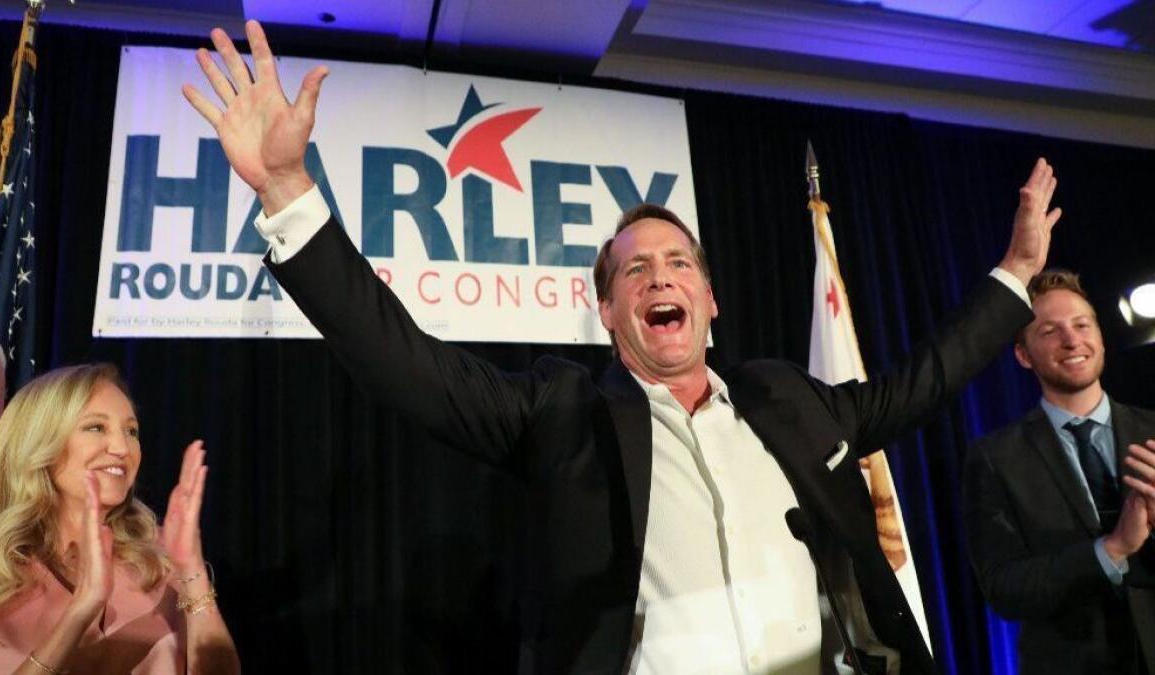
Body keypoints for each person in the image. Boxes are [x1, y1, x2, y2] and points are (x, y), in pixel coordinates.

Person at [184, 20, 1060, 674]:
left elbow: (926, 378)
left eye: (678, 262)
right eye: (634, 270)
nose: (658, 277)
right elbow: (404, 361)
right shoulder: (559, 411)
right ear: (606, 309)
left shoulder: (791, 399)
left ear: (710, 299)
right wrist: (290, 190)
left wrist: (1018, 274)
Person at [0, 364, 240, 674]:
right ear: (39, 445)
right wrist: (81, 610)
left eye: (131, 431)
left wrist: (193, 571)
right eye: (96, 427)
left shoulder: (162, 558)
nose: (122, 448)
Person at [963, 270, 1155, 674]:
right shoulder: (996, 458)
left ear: (1100, 337)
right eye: (1049, 330)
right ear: (1023, 354)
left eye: (1082, 325)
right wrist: (1113, 549)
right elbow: (1004, 588)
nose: (1071, 340)